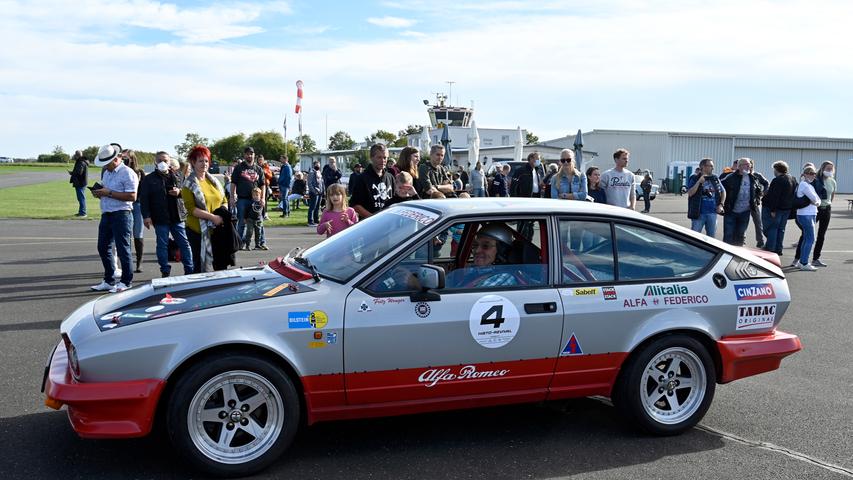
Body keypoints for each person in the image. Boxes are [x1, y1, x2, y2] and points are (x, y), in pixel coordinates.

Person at [89, 143, 138, 293]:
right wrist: (99, 193)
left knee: (123, 248)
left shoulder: (128, 173)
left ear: (115, 159)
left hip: (122, 214)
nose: (104, 166)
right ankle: (109, 280)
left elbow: (132, 196)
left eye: (106, 163)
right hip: (107, 213)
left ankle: (126, 281)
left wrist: (108, 193)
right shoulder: (107, 173)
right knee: (103, 247)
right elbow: (106, 191)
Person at [139, 151, 194, 277]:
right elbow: (144, 199)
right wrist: (146, 216)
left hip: (177, 216)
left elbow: (187, 193)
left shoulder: (179, 176)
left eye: (165, 160)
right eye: (160, 161)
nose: (163, 163)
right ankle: (165, 270)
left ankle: (189, 269)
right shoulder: (149, 179)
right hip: (160, 217)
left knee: (184, 243)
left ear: (170, 162)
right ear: (155, 162)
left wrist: (179, 192)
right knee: (162, 245)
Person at [181, 145, 228, 273]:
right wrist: (213, 217)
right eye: (200, 161)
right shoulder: (188, 184)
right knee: (200, 266)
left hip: (217, 230)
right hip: (197, 231)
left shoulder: (214, 181)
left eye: (206, 160)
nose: (204, 164)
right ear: (193, 162)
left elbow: (224, 200)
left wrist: (222, 212)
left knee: (218, 264)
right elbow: (191, 209)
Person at [449, 223, 520, 288]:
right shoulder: (477, 271)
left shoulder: (503, 278)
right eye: (475, 245)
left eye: (486, 246)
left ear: (502, 251)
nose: (477, 251)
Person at [230, 147, 266, 249]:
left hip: (256, 200)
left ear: (254, 155)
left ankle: (261, 243)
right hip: (242, 199)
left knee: (259, 222)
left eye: (251, 154)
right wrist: (232, 197)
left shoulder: (258, 169)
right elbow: (233, 183)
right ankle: (239, 243)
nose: (249, 155)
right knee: (242, 222)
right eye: (247, 154)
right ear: (244, 155)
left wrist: (262, 198)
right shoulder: (239, 168)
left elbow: (263, 184)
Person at [349, 143, 395, 218]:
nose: (383, 160)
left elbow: (394, 201)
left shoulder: (390, 177)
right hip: (369, 225)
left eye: (385, 157)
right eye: (379, 157)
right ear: (371, 158)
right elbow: (355, 205)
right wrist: (373, 219)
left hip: (388, 223)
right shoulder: (362, 178)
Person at [761, 161, 796, 256]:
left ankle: (770, 247)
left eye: (774, 169)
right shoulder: (792, 179)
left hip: (777, 208)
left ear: (777, 169)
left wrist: (773, 209)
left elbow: (774, 196)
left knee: (771, 228)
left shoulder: (777, 180)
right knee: (781, 229)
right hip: (786, 208)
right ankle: (778, 248)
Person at [792, 165, 821, 271]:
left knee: (806, 238)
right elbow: (814, 198)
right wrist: (816, 202)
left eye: (813, 173)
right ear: (804, 174)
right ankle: (804, 262)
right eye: (809, 173)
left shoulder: (810, 185)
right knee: (810, 238)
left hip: (811, 214)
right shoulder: (804, 185)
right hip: (805, 215)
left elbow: (818, 200)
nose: (812, 175)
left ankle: (802, 261)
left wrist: (816, 202)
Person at [721, 157, 757, 246]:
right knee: (728, 234)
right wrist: (722, 204)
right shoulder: (731, 177)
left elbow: (758, 189)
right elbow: (720, 189)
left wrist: (757, 200)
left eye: (750, 165)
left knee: (740, 234)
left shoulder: (752, 177)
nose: (749, 166)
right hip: (731, 210)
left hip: (745, 211)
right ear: (739, 166)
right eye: (746, 165)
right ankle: (726, 252)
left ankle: (738, 254)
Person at [686, 158, 725, 237]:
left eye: (712, 166)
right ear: (703, 167)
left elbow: (723, 191)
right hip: (699, 213)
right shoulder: (694, 178)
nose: (712, 168)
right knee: (695, 237)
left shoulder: (715, 178)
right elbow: (690, 193)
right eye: (710, 166)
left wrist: (721, 204)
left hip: (712, 213)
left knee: (711, 237)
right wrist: (699, 182)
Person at [123, 150, 146, 272]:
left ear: (132, 159)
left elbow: (145, 191)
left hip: (137, 205)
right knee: (126, 234)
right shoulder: (120, 172)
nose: (124, 161)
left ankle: (139, 262)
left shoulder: (140, 172)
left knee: (138, 233)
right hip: (125, 205)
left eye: (126, 158)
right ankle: (128, 262)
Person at [811, 161, 836, 267]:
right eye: (827, 169)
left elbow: (832, 196)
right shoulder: (816, 180)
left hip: (827, 209)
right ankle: (799, 258)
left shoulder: (833, 181)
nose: (829, 171)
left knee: (821, 235)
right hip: (816, 209)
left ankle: (816, 258)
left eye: (831, 169)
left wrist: (828, 205)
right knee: (807, 233)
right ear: (822, 169)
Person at [748, 159, 770, 248]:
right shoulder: (741, 175)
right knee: (743, 221)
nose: (750, 168)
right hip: (743, 202)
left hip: (755, 202)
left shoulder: (757, 175)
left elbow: (766, 183)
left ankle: (760, 240)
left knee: (758, 222)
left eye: (751, 166)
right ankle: (741, 239)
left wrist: (763, 193)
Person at [68, 150, 89, 217]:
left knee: (81, 198)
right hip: (81, 182)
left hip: (80, 183)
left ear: (77, 155)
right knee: (80, 198)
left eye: (75, 155)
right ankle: (81, 212)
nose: (74, 156)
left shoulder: (81, 162)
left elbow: (79, 172)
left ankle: (83, 213)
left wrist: (72, 173)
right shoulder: (82, 161)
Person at [307, 161, 324, 227]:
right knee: (312, 207)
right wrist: (314, 191)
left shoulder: (319, 172)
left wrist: (323, 191)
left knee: (317, 207)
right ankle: (310, 221)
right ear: (314, 165)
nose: (318, 166)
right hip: (314, 193)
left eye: (319, 165)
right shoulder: (311, 173)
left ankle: (316, 220)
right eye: (316, 165)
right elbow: (309, 183)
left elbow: (322, 182)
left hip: (320, 192)